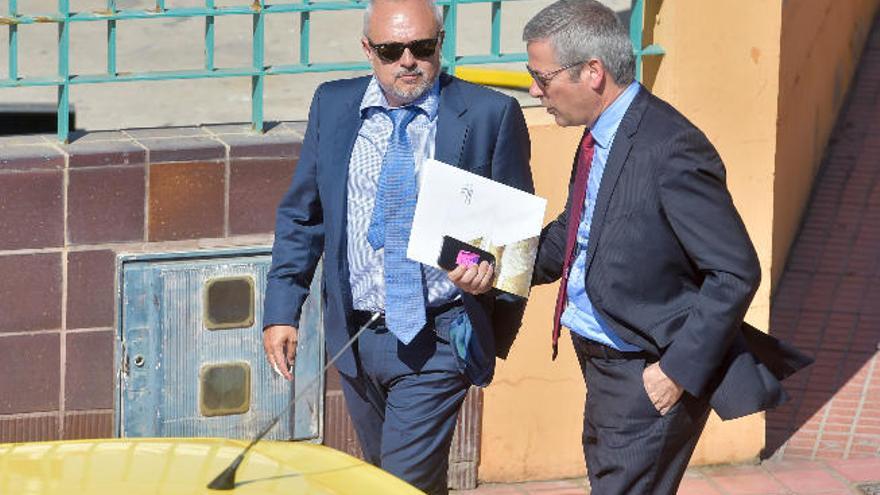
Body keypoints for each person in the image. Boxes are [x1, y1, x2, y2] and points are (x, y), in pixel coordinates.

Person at [517, 1, 810, 493]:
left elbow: (735, 272)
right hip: (602, 363)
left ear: (593, 73)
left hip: (645, 373)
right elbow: (578, 232)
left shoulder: (670, 148)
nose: (534, 90)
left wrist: (675, 372)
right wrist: (497, 260)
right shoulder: (599, 135)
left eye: (541, 78)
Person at [261, 0, 533, 492]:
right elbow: (305, 216)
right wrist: (283, 310)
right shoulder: (333, 106)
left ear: (440, 46)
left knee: (397, 485)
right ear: (368, 50)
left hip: (439, 338)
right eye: (391, 50)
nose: (408, 60)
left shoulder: (491, 114)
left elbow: (514, 241)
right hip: (357, 338)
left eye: (422, 47)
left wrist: (485, 279)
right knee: (402, 481)